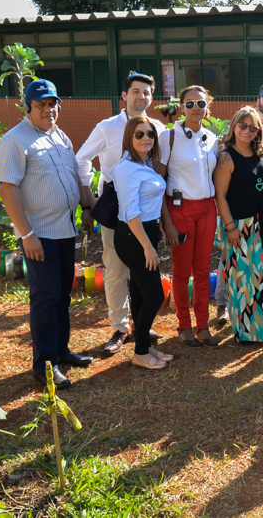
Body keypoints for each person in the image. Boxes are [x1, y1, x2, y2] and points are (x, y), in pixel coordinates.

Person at [0, 79, 95, 389]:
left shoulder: (59, 135)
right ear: (26, 107)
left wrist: (87, 206)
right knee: (45, 297)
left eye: (52, 104)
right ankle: (44, 365)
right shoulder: (15, 141)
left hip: (65, 229)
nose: (48, 109)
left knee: (62, 294)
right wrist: (27, 235)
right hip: (39, 235)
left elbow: (73, 175)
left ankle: (61, 351)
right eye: (40, 104)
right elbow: (7, 189)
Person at [76, 72, 166, 355]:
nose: (141, 96)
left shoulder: (158, 127)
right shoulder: (107, 127)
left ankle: (140, 324)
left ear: (151, 98)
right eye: (136, 91)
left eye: (147, 92)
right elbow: (81, 158)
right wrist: (90, 200)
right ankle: (119, 327)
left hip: (148, 211)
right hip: (117, 207)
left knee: (142, 269)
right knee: (116, 269)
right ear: (124, 96)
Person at [214, 106, 263, 343]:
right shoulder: (226, 157)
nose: (247, 130)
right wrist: (230, 227)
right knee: (245, 279)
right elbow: (220, 196)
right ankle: (249, 332)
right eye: (242, 125)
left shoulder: (262, 154)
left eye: (253, 127)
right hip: (240, 226)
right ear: (234, 126)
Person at [113, 115, 174, 370]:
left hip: (145, 233)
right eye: (139, 134)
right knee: (154, 294)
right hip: (133, 236)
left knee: (139, 292)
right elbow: (130, 212)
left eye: (150, 134)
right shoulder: (126, 168)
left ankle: (144, 346)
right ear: (129, 137)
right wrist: (148, 247)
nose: (146, 138)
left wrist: (155, 231)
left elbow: (147, 204)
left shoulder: (144, 164)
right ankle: (140, 352)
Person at [161, 85, 220, 347]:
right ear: (181, 107)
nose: (195, 108)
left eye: (201, 103)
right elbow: (157, 182)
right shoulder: (168, 137)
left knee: (203, 269)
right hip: (179, 209)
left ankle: (203, 325)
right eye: (190, 104)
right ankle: (184, 324)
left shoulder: (212, 138)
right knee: (182, 270)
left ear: (208, 106)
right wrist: (167, 224)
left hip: (208, 209)